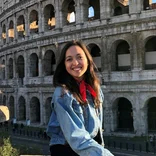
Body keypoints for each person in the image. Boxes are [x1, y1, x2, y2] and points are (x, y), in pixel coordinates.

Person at [46, 40, 114, 156]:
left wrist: (99, 148)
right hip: (66, 149)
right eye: (69, 59)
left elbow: (97, 131)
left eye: (79, 57)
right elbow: (76, 136)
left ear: (88, 60)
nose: (75, 63)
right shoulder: (62, 94)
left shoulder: (95, 89)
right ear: (64, 65)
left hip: (87, 146)